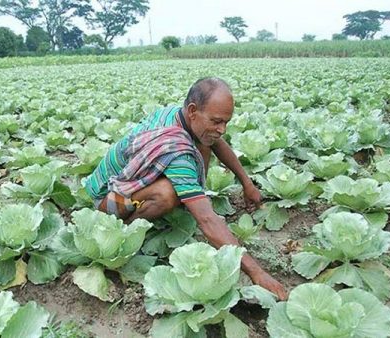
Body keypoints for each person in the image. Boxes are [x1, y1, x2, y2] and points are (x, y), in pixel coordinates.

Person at [84, 77, 288, 300]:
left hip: (129, 186)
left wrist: (247, 184)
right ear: (193, 110)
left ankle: (186, 194)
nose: (222, 129)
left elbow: (218, 143)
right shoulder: (175, 147)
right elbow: (207, 220)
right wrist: (257, 273)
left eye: (226, 122)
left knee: (205, 143)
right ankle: (128, 232)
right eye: (217, 121)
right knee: (166, 195)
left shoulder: (181, 116)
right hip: (106, 199)